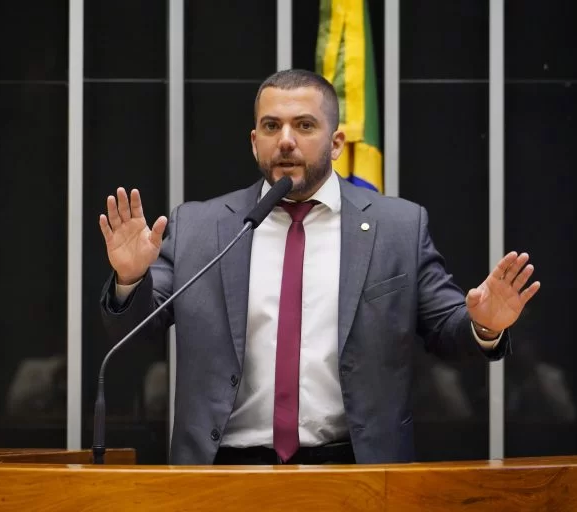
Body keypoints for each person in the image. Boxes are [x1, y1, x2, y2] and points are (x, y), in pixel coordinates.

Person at [98, 69, 540, 465]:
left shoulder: (397, 227)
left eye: (304, 125)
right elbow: (137, 331)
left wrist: (484, 326)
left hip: (354, 470)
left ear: (336, 142)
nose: (286, 139)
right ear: (255, 142)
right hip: (224, 472)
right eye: (272, 126)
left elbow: (446, 329)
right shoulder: (199, 226)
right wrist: (130, 278)